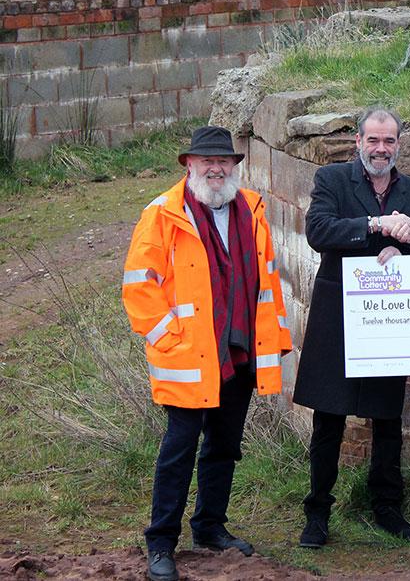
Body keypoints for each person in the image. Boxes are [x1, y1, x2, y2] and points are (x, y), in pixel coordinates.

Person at [122, 125, 293, 581]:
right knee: (178, 450)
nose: (216, 169)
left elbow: (266, 282)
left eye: (224, 162)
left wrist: (271, 341)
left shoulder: (250, 209)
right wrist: (170, 339)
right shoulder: (162, 214)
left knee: (224, 446)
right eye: (207, 162)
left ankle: (210, 528)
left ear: (233, 167)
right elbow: (139, 287)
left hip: (237, 354)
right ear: (189, 165)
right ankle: (161, 543)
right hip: (187, 359)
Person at [292, 107, 410, 548]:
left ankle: (387, 505)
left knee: (388, 416)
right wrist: (375, 224)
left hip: (388, 319)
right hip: (338, 314)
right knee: (328, 418)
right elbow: (319, 230)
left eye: (389, 141)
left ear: (398, 145)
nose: (381, 149)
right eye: (373, 140)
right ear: (358, 141)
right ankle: (317, 510)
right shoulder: (332, 181)